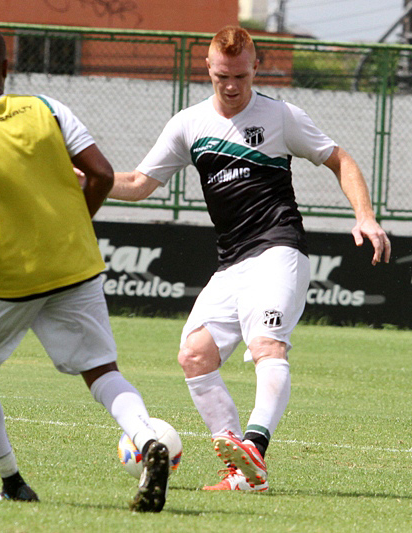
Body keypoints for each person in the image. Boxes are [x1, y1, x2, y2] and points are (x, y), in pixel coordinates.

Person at [108, 26, 391, 492]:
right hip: (232, 263)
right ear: (208, 69)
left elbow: (339, 158)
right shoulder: (188, 125)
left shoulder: (281, 117)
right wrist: (86, 181)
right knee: (194, 355)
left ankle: (254, 446)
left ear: (256, 68)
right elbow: (139, 184)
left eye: (240, 76)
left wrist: (365, 216)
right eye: (222, 76)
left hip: (279, 249)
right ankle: (242, 472)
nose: (231, 86)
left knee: (266, 345)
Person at [0, 25, 169, 512]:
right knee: (102, 371)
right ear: (6, 67)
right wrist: (78, 224)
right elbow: (102, 174)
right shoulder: (49, 109)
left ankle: (13, 481)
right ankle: (148, 440)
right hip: (75, 265)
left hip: (6, 281)